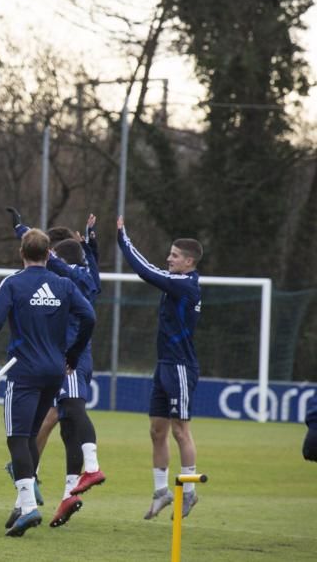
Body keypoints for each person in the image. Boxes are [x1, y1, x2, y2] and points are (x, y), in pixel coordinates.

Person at [0, 228, 95, 537]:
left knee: (17, 437)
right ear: (47, 254)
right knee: (29, 435)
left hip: (24, 371)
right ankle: (26, 504)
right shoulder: (64, 284)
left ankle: (27, 507)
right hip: (55, 372)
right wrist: (73, 355)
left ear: (22, 253)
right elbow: (90, 317)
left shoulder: (13, 283)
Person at [6, 209, 105, 527]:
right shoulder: (87, 275)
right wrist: (91, 241)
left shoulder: (65, 276)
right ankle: (61, 493)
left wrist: (22, 229)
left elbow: (45, 254)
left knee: (50, 422)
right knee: (62, 425)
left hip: (66, 360)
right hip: (66, 359)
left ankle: (29, 490)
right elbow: (90, 263)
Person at [116, 217, 204, 520]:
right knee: (157, 431)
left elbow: (145, 271)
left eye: (174, 255)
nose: (169, 259)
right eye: (169, 254)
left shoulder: (185, 284)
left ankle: (190, 492)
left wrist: (122, 238)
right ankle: (161, 492)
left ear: (189, 261)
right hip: (164, 365)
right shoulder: (178, 282)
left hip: (180, 366)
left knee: (181, 431)